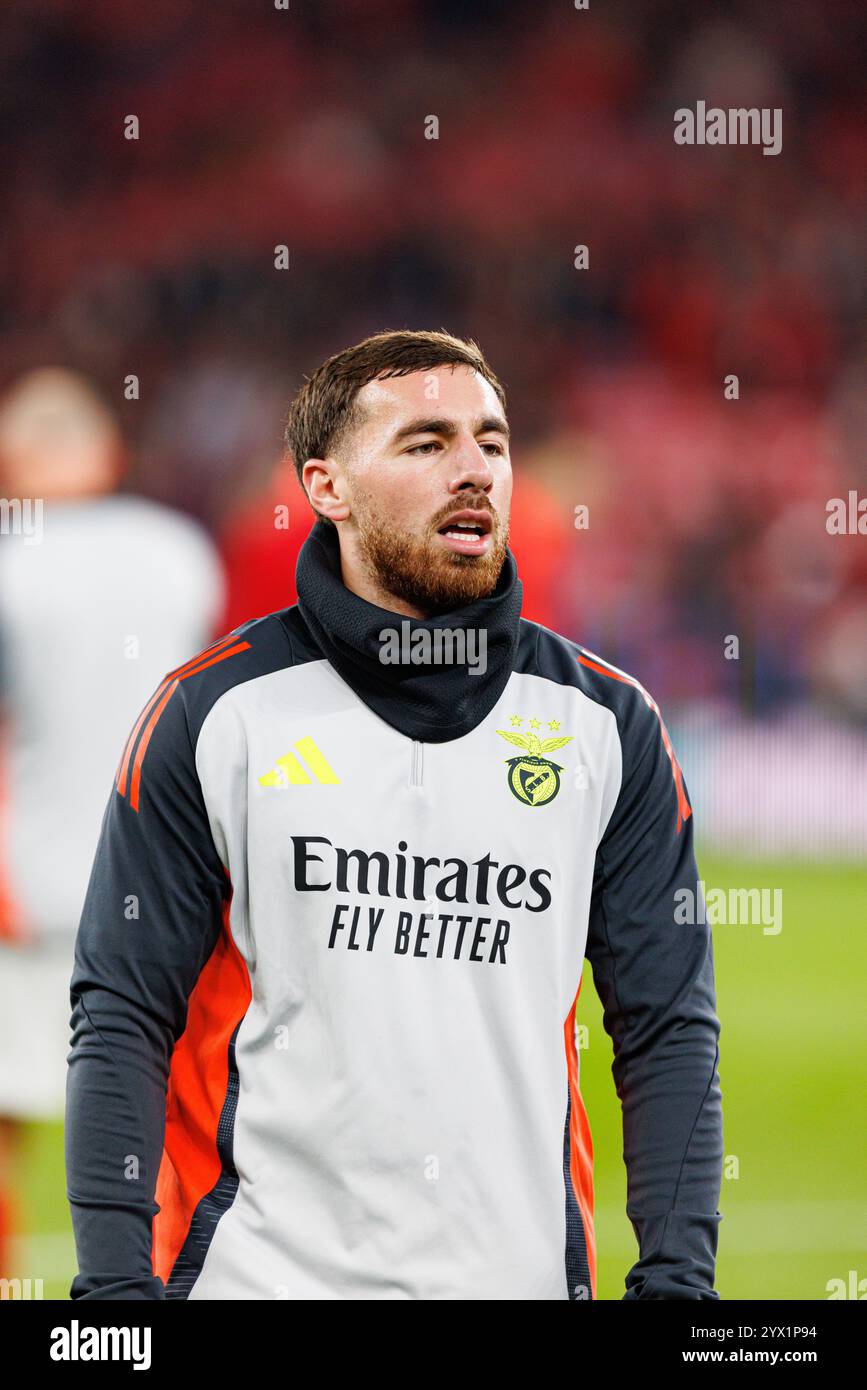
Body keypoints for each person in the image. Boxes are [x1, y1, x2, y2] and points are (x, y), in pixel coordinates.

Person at [66, 330, 723, 1300]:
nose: (475, 470)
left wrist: (679, 1281)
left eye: (491, 442)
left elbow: (667, 1025)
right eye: (426, 444)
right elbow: (122, 1013)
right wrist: (115, 1297)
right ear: (326, 486)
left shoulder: (607, 724)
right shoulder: (212, 713)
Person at [0, 368, 224, 1278]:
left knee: (6, 1124)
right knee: (173, 1122)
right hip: (161, 886)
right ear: (108, 453)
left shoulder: (11, 562)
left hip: (25, 891)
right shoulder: (179, 550)